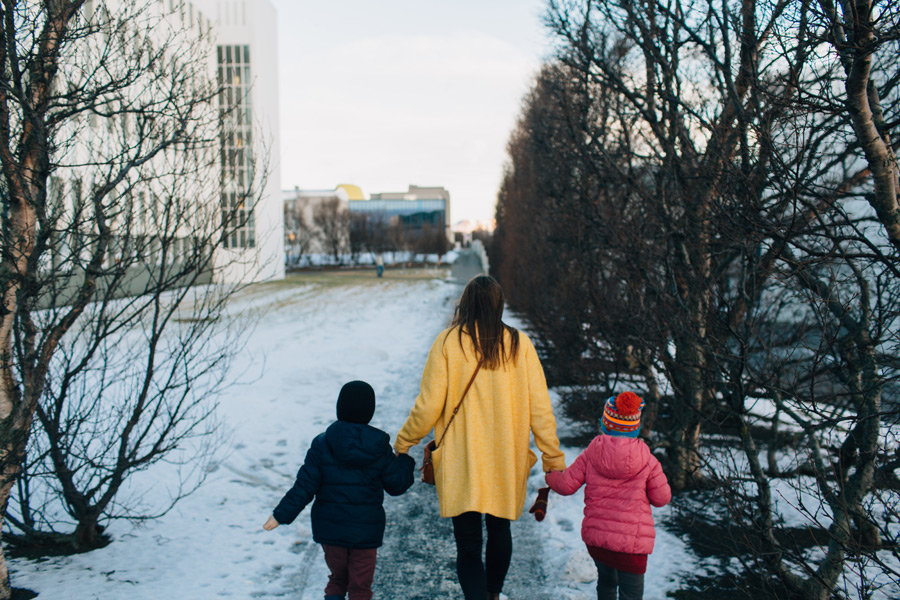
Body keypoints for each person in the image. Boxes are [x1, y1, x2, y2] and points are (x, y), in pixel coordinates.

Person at [394, 275, 566, 600]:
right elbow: (540, 408)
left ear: (466, 303)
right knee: (501, 530)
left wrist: (405, 442)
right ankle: (492, 594)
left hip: (463, 462)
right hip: (506, 458)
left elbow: (429, 405)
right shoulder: (520, 344)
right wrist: (552, 458)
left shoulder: (448, 342)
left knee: (469, 545)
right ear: (499, 305)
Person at [263, 380, 415, 600]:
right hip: (365, 534)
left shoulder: (322, 444)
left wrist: (280, 515)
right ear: (369, 411)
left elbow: (304, 486)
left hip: (330, 532)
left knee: (337, 579)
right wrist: (405, 461)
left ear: (339, 407)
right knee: (360, 588)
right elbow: (397, 485)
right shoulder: (379, 448)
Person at [545, 391, 671, 600]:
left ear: (605, 424)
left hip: (599, 543)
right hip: (633, 548)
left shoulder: (591, 453)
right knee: (631, 595)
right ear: (636, 428)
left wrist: (551, 476)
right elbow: (662, 498)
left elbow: (566, 486)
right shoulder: (648, 460)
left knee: (606, 584)